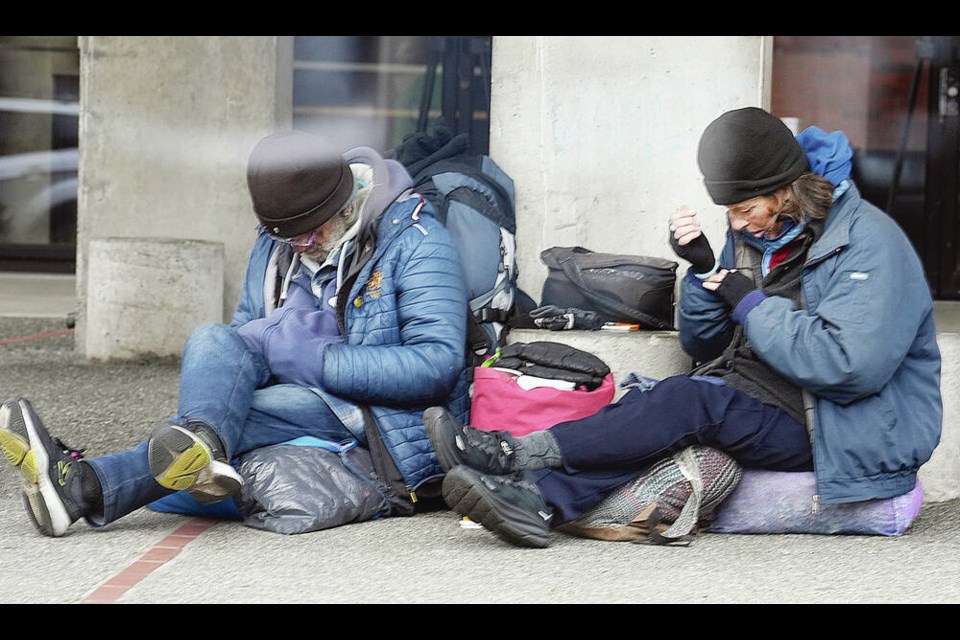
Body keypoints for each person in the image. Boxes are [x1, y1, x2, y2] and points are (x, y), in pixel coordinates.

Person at [423, 106, 943, 548]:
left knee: (687, 404)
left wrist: (750, 303)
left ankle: (513, 452)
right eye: (729, 212)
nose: (737, 223)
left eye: (744, 209)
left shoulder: (869, 244)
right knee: (662, 407)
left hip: (841, 425)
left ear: (786, 192)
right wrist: (703, 273)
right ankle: (538, 502)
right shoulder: (761, 232)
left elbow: (848, 366)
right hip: (766, 394)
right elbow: (706, 342)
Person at [0, 130, 470, 537]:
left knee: (249, 414)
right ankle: (201, 443)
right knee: (210, 337)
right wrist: (248, 366)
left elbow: (437, 366)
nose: (298, 247)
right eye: (286, 238)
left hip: (378, 413)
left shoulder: (416, 243)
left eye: (308, 236)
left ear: (343, 205)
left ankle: (85, 484)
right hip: (294, 385)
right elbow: (244, 334)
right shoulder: (277, 240)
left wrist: (317, 359)